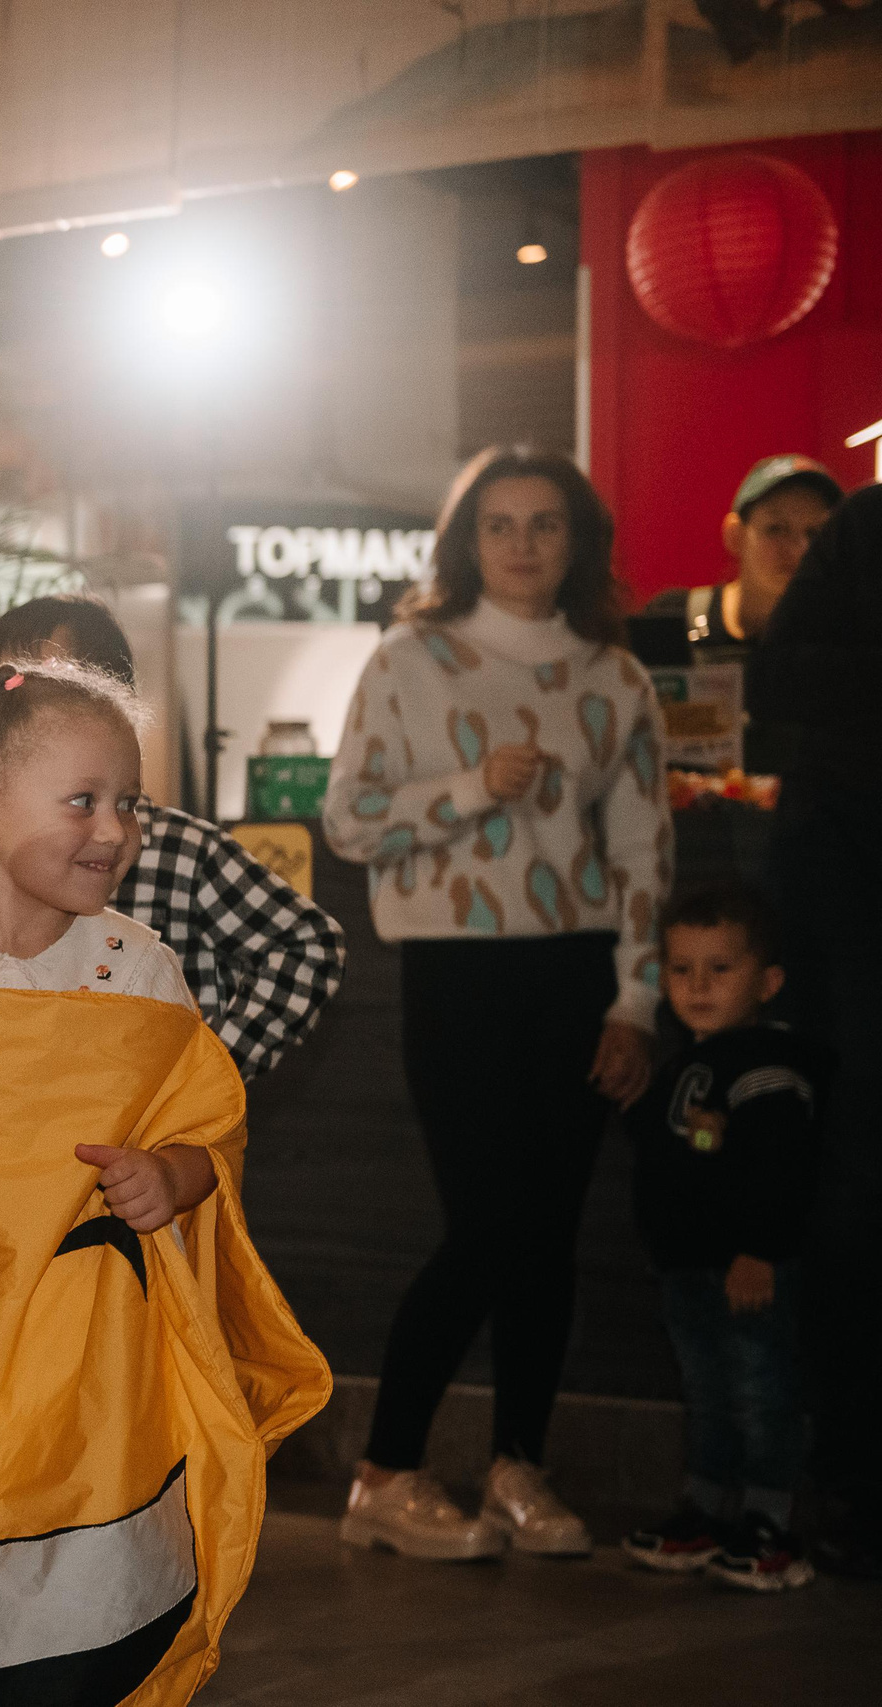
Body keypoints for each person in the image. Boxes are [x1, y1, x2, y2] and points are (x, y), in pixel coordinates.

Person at [0, 650, 327, 1707]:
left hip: (92, 1379)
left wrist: (170, 1176)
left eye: (129, 804)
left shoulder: (139, 971)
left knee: (79, 1653)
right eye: (84, 801)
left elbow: (206, 1130)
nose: (116, 831)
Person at [320, 444, 671, 1562]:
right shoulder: (408, 660)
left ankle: (521, 1463)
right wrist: (472, 788)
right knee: (486, 1226)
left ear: (578, 545)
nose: (521, 545)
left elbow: (643, 850)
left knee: (550, 1237)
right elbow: (349, 820)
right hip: (457, 972)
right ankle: (385, 1469)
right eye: (499, 525)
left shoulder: (616, 679)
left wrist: (635, 1002)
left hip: (575, 972)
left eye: (545, 525)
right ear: (465, 541)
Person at [0, 592, 347, 1080]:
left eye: (46, 692)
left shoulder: (179, 851)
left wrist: (206, 1074)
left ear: (113, 701)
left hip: (159, 1141)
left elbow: (309, 945)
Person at [746, 483, 882, 1580]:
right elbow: (775, 671)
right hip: (852, 910)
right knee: (857, 1186)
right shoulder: (870, 526)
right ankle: (844, 1479)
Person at [620, 884, 822, 1592]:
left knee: (760, 1391)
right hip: (690, 1268)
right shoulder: (691, 1064)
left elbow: (780, 1167)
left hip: (745, 1268)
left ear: (767, 981)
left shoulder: (766, 1065)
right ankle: (706, 1508)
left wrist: (760, 1248)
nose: (697, 986)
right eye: (681, 969)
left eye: (720, 969)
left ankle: (770, 1521)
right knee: (706, 1391)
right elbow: (700, 1147)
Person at [628, 454, 840, 774]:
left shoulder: (846, 644)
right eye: (776, 529)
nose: (799, 550)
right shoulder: (673, 620)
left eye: (817, 534)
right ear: (735, 536)